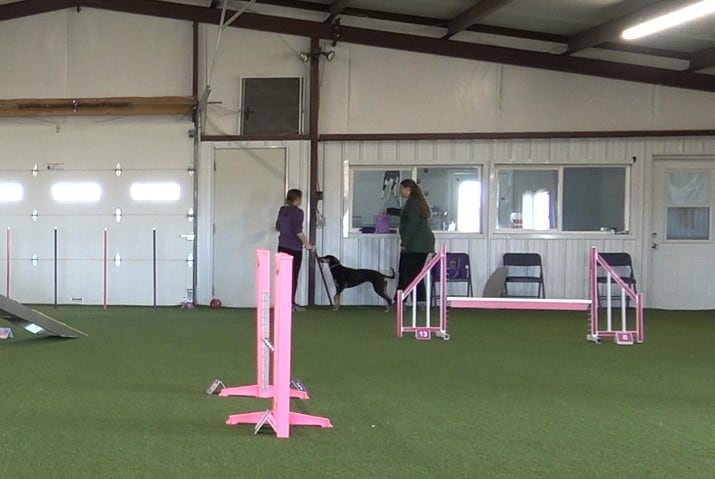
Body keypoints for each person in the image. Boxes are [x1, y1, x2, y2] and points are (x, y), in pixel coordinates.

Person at [386, 179, 435, 307]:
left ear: (408, 189)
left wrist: (405, 243)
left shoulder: (412, 203)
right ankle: (419, 301)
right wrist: (390, 210)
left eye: (401, 189)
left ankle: (400, 301)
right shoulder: (415, 202)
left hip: (416, 244)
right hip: (422, 244)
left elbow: (412, 223)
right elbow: (406, 215)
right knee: (415, 274)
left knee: (406, 272)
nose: (400, 191)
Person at [276, 189, 314, 311]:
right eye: (300, 198)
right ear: (297, 199)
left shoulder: (282, 210)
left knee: (282, 276)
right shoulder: (298, 212)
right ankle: (290, 304)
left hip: (282, 246)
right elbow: (298, 231)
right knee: (293, 277)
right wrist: (307, 244)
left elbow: (277, 227)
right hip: (294, 248)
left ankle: (281, 303)